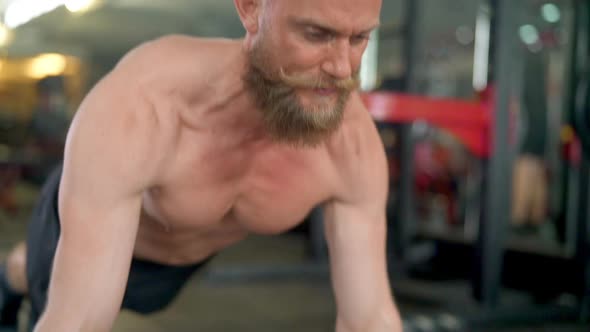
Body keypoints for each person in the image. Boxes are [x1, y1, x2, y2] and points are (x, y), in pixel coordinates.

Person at [0, 0, 403, 331]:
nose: (341, 68)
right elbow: (80, 320)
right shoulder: (141, 107)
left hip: (184, 262)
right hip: (95, 237)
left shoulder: (350, 145)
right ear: (250, 9)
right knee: (34, 282)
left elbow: (369, 317)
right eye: (316, 34)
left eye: (359, 38)